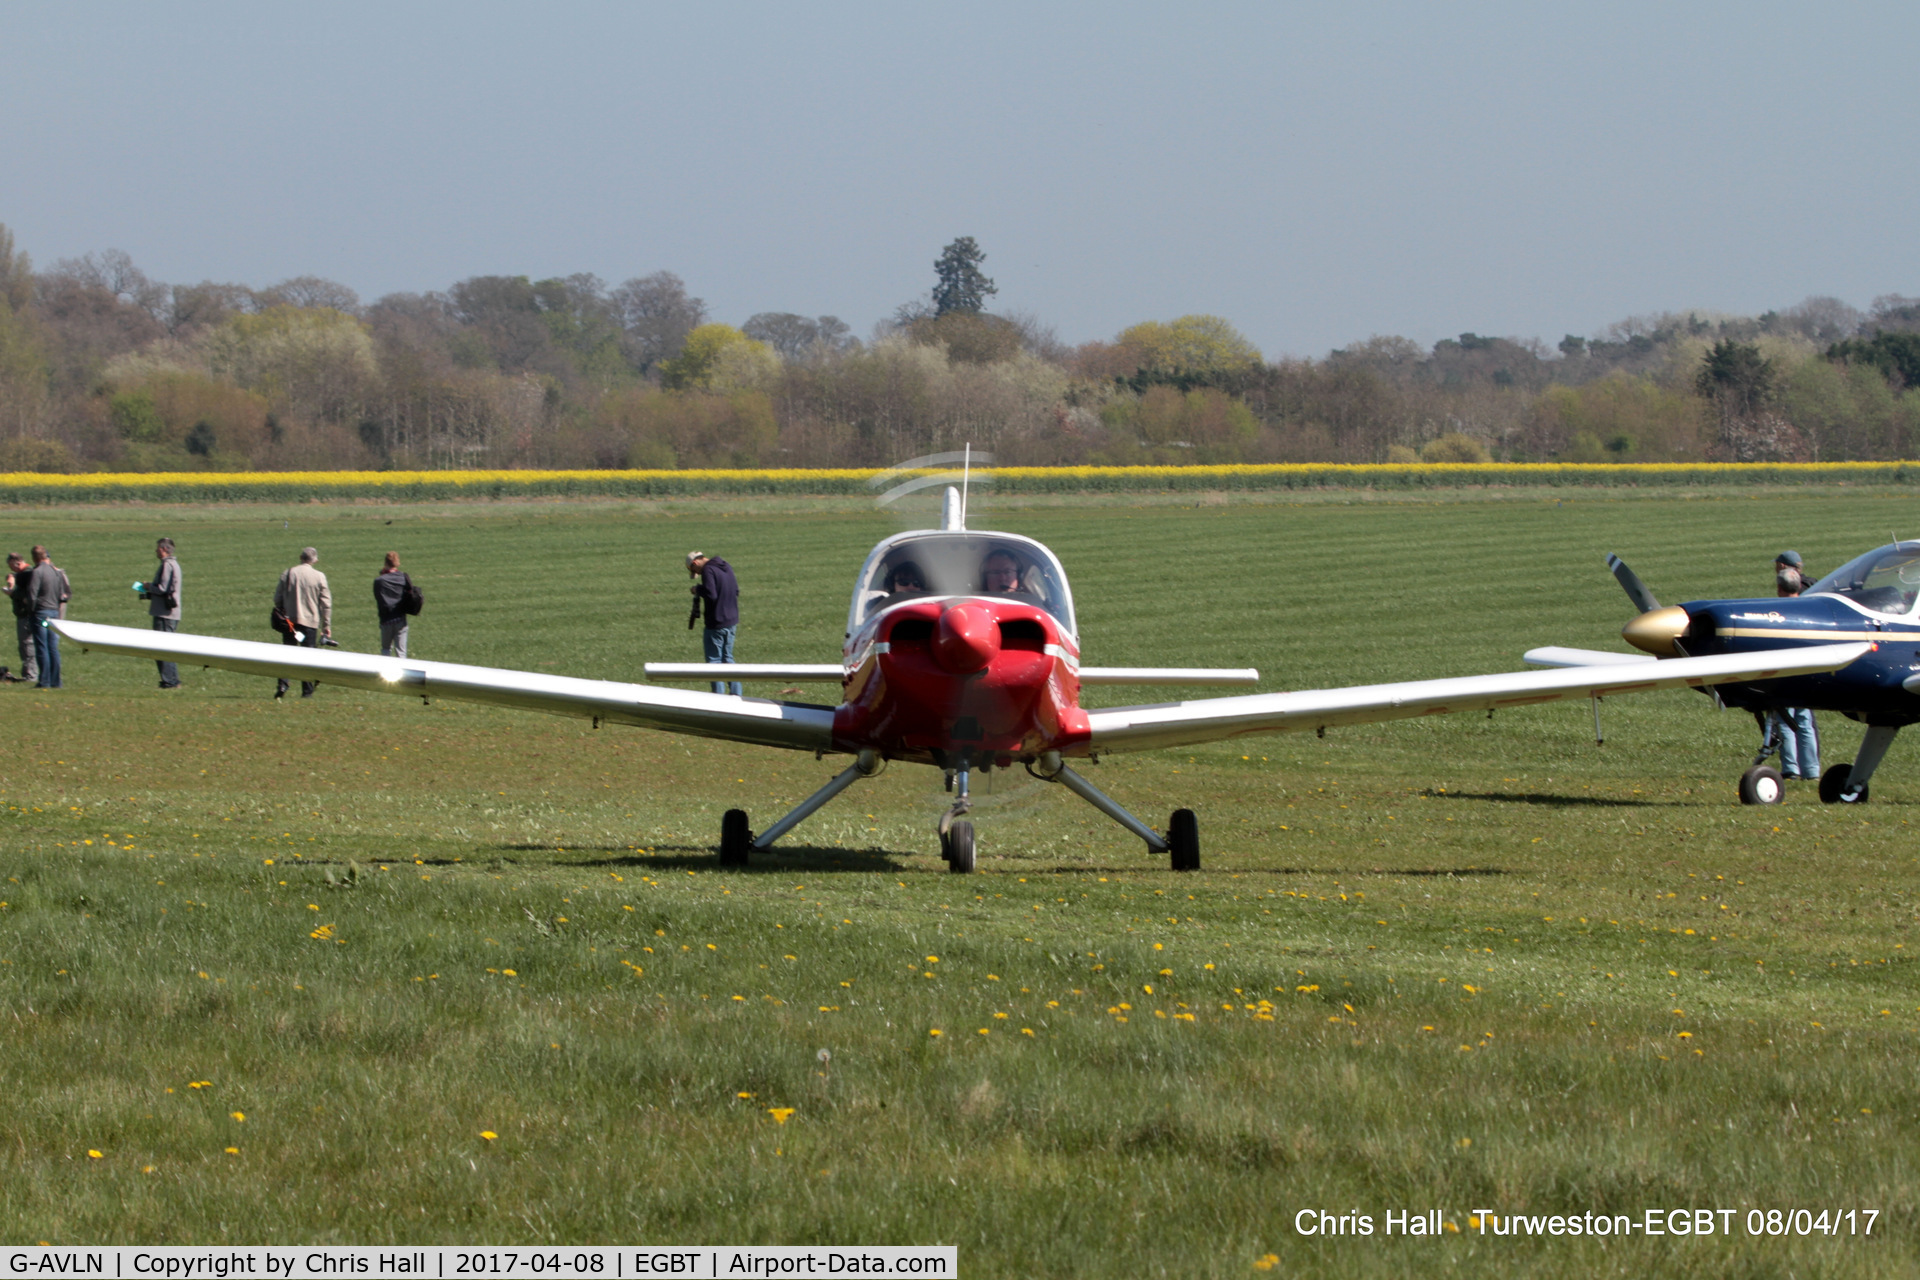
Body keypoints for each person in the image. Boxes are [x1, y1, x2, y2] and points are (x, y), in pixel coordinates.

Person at [1769, 549, 1820, 780]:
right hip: (1808, 669)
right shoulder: (1810, 608)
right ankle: (1811, 770)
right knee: (1805, 722)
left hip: (1784, 671)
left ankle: (1791, 768)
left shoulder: (1774, 613)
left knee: (1785, 721)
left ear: (1780, 588)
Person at [273, 547, 331, 699]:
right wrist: (326, 625)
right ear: (315, 560)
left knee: (288, 654)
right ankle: (307, 691)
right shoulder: (319, 576)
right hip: (310, 623)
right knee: (308, 658)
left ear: (301, 557)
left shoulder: (288, 573)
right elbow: (326, 603)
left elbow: (277, 598)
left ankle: (283, 684)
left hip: (290, 622)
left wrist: (283, 608)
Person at [686, 551, 742, 696]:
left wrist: (697, 589)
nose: (697, 573)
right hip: (732, 620)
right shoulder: (726, 565)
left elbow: (711, 594)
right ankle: (737, 695)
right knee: (727, 658)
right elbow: (736, 591)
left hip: (716, 622)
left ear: (695, 563)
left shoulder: (708, 570)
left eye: (694, 570)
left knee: (714, 661)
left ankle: (719, 699)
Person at [137, 537, 183, 689]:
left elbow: (163, 588)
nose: (156, 550)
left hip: (164, 613)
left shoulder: (167, 565)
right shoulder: (173, 564)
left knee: (162, 648)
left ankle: (169, 681)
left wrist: (148, 586)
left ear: (164, 549)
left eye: (158, 548)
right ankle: (172, 680)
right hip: (170, 613)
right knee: (167, 648)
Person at [25, 545, 70, 689]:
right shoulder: (55, 571)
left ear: (34, 558)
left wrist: (30, 610)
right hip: (54, 612)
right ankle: (56, 681)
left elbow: (32, 594)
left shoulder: (37, 572)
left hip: (40, 612)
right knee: (52, 647)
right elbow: (61, 594)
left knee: (41, 646)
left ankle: (44, 681)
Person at [3, 552, 36, 683]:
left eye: (12, 566)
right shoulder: (25, 574)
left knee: (27, 644)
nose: (11, 569)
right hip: (23, 615)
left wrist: (11, 592)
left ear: (17, 562)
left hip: (27, 615)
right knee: (24, 645)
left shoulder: (28, 573)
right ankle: (27, 674)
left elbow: (26, 594)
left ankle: (31, 675)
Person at [372, 551, 413, 658]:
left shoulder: (379, 581)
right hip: (400, 618)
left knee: (386, 649)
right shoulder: (403, 578)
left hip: (386, 620)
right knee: (401, 651)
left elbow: (378, 597)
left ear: (385, 563)